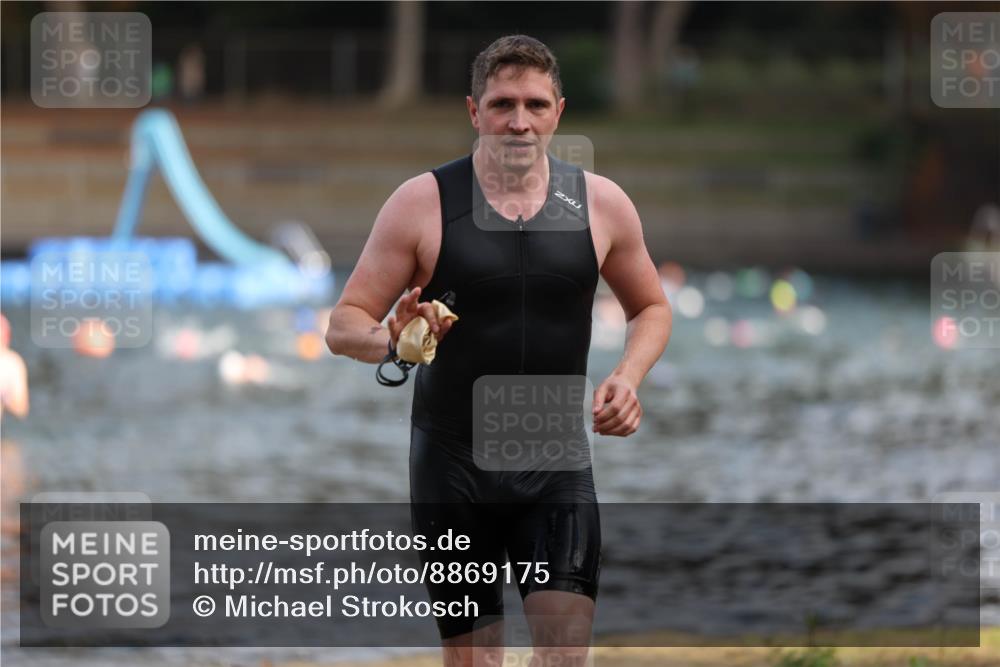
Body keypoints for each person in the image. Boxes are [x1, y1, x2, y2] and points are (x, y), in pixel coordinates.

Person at [326, 35, 671, 667]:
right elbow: (343, 325)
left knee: (565, 658)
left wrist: (629, 376)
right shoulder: (421, 204)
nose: (519, 121)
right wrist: (398, 344)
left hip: (556, 465)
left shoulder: (601, 204)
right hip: (453, 468)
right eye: (503, 103)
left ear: (558, 113)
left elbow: (650, 306)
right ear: (474, 111)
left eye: (535, 105)